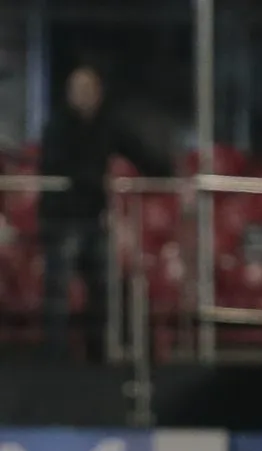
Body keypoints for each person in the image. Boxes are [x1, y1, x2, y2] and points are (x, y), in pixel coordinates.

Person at [37, 65, 172, 362]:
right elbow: (57, 164)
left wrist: (167, 173)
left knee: (101, 286)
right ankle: (54, 357)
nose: (85, 96)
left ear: (98, 94)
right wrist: (96, 180)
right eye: (79, 90)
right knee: (58, 291)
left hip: (94, 217)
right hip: (62, 218)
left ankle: (96, 354)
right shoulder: (57, 126)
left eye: (90, 90)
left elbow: (136, 151)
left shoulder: (106, 124)